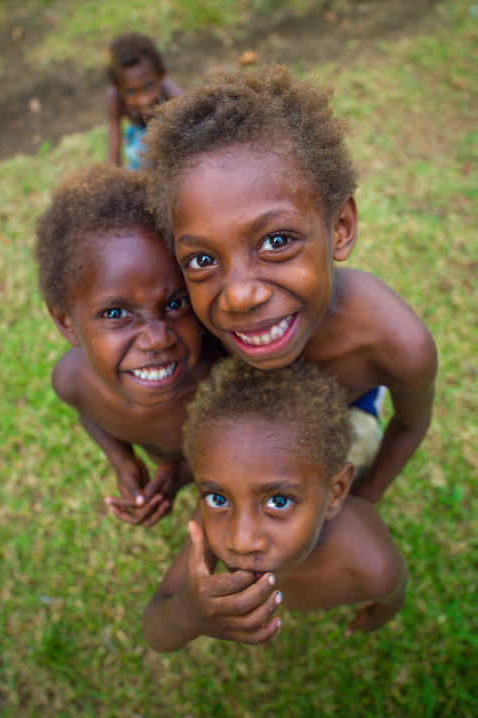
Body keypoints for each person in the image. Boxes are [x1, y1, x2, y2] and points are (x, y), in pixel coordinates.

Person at [143, 63, 438, 503]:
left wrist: (368, 498)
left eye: (276, 241)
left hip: (345, 412)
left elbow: (411, 423)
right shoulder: (195, 330)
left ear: (339, 227)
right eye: (202, 259)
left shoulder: (397, 344)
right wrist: (180, 468)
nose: (241, 296)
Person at [143, 358, 408, 651]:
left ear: (336, 492)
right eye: (218, 498)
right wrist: (183, 615)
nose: (241, 541)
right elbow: (156, 624)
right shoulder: (212, 519)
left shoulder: (374, 564)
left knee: (363, 440)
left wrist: (378, 617)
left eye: (278, 501)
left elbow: (392, 596)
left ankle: (368, 400)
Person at [34, 164, 222, 526]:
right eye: (117, 312)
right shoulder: (71, 381)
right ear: (65, 322)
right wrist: (121, 458)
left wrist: (184, 473)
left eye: (175, 303)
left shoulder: (224, 376)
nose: (157, 338)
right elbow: (90, 415)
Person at [105, 33, 182, 169]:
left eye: (148, 86)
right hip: (139, 159)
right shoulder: (115, 98)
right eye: (130, 92)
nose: (142, 100)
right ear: (118, 88)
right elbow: (113, 154)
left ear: (161, 75)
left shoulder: (172, 94)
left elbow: (195, 131)